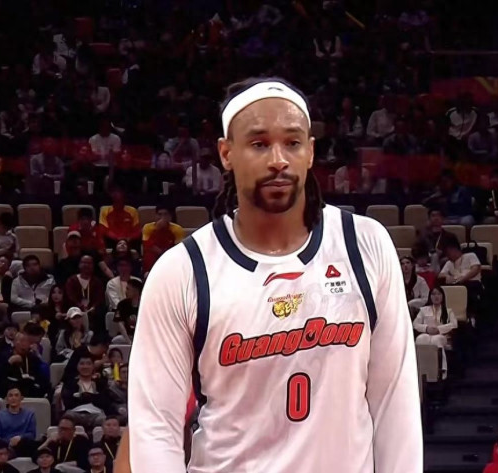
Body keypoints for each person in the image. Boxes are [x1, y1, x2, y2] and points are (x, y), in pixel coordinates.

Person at [129, 77, 421, 473]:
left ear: (311, 152)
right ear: (226, 153)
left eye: (293, 142)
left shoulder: (365, 245)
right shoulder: (183, 270)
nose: (278, 159)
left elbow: (394, 403)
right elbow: (154, 427)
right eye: (259, 144)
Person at [61, 352, 114, 430]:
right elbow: (68, 402)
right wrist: (90, 397)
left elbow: (105, 402)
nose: (85, 367)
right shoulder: (71, 383)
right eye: (82, 364)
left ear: (93, 366)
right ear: (77, 366)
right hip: (75, 412)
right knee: (67, 418)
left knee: (104, 420)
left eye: (88, 364)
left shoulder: (100, 383)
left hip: (96, 413)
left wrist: (85, 397)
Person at [413, 287, 458, 378]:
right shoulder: (423, 310)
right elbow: (415, 324)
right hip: (426, 334)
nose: (436, 296)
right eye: (433, 294)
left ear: (442, 296)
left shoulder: (448, 311)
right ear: (430, 296)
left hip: (441, 335)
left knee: (436, 340)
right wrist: (426, 328)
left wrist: (439, 329)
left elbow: (454, 324)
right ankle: (420, 370)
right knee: (421, 339)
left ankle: (440, 370)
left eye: (438, 294)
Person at [0, 331, 50, 398]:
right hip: (11, 390)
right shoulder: (4, 356)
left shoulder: (32, 358)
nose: (24, 344)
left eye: (27, 342)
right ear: (14, 342)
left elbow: (40, 378)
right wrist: (10, 362)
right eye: (22, 341)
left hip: (30, 390)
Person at [438, 235, 483, 315]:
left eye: (448, 253)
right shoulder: (449, 263)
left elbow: (476, 269)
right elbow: (440, 275)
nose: (447, 256)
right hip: (456, 285)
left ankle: (470, 316)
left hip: (472, 283)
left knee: (467, 290)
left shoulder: (470, 255)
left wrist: (463, 279)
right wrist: (447, 276)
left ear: (454, 249)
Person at [0, 387, 37, 457]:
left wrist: (20, 438)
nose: (13, 398)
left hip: (25, 446)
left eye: (16, 395)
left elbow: (32, 434)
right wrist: (9, 442)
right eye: (10, 395)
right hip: (5, 447)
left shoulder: (30, 415)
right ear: (6, 399)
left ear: (21, 398)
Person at [64, 255, 106, 330]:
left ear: (93, 266)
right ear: (79, 264)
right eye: (84, 262)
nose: (86, 265)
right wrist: (80, 307)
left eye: (89, 263)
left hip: (93, 314)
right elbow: (70, 296)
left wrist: (93, 307)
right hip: (75, 312)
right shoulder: (72, 280)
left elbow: (100, 298)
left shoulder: (97, 282)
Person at [141, 205, 185, 275]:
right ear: (155, 216)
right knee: (148, 255)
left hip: (169, 254)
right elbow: (147, 245)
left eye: (165, 214)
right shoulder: (147, 227)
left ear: (170, 217)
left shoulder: (177, 229)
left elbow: (178, 248)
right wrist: (158, 230)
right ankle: (148, 274)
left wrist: (165, 255)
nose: (162, 217)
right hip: (155, 254)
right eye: (159, 214)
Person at [113, 279, 142, 344]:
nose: (126, 291)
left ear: (136, 291)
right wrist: (128, 341)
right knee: (116, 340)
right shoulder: (122, 304)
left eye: (128, 289)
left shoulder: (145, 304)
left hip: (141, 336)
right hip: (126, 336)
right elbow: (120, 324)